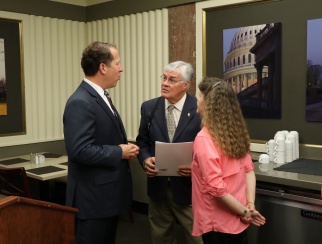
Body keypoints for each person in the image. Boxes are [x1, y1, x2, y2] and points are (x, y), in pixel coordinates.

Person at [63, 41, 139, 244]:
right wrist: (118, 152)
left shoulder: (100, 96)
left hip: (105, 198)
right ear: (103, 67)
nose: (121, 68)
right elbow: (79, 151)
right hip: (92, 202)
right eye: (118, 63)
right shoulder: (80, 101)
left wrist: (123, 149)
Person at [191, 77, 266, 244]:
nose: (197, 100)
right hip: (238, 217)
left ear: (209, 103)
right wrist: (249, 206)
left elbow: (217, 189)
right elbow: (249, 171)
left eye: (200, 96)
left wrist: (246, 212)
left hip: (218, 223)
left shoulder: (204, 139)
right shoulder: (237, 133)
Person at [136, 61, 202, 244]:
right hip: (158, 187)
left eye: (172, 80)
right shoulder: (149, 107)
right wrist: (145, 159)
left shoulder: (199, 109)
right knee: (161, 238)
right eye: (164, 78)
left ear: (186, 85)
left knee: (197, 239)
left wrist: (196, 167)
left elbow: (211, 149)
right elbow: (142, 141)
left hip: (190, 188)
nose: (165, 83)